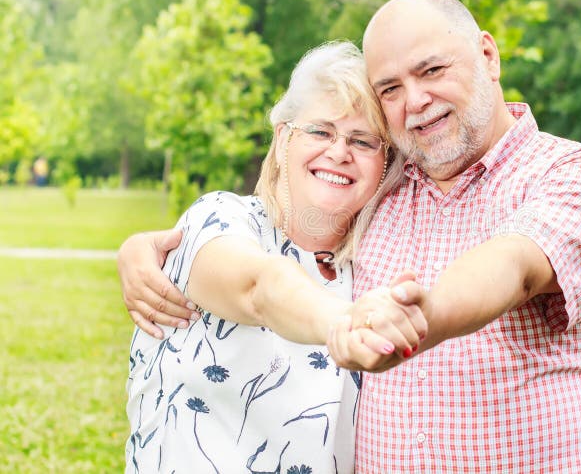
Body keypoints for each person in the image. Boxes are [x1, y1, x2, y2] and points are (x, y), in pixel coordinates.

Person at [119, 0, 581, 472]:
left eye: (431, 69)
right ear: (283, 138)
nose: (415, 101)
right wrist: (147, 249)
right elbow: (261, 270)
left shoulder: (572, 172)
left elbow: (514, 268)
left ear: (488, 55)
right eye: (391, 88)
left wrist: (406, 324)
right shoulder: (372, 200)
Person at [124, 41, 427, 474]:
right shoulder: (218, 218)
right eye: (320, 132)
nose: (339, 151)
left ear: (385, 164)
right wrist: (348, 324)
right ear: (284, 138)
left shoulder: (371, 268)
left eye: (362, 141)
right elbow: (259, 288)